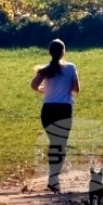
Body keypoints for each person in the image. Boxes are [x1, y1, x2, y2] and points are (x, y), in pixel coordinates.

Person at [30, 39, 80, 193]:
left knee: (54, 143)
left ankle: (53, 178)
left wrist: (43, 90)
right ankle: (54, 178)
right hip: (63, 109)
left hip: (48, 109)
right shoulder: (71, 68)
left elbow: (33, 85)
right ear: (64, 51)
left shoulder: (45, 69)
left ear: (50, 52)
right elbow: (76, 89)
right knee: (61, 144)